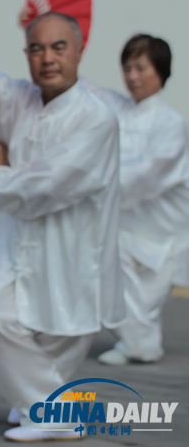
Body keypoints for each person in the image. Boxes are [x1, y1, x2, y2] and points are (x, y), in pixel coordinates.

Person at [0, 0, 124, 442]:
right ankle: (57, 414)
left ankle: (46, 411)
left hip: (72, 252)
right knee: (0, 322)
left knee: (59, 339)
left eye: (59, 47)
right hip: (17, 246)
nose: (48, 58)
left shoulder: (95, 118)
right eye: (37, 49)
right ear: (27, 55)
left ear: (79, 51)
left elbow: (53, 183)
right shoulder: (18, 100)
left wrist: (0, 176)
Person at [81, 34, 189, 365]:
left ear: (160, 71)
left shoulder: (172, 126)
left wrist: (89, 184)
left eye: (140, 67)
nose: (132, 76)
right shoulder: (120, 110)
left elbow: (145, 176)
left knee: (135, 301)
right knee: (106, 276)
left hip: (162, 242)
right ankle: (141, 344)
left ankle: (141, 344)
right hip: (123, 234)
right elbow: (83, 91)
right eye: (127, 68)